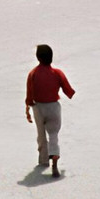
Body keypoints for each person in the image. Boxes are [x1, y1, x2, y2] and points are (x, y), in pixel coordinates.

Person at [25, 44, 74, 178]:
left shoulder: (33, 73)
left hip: (38, 107)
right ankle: (55, 162)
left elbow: (29, 94)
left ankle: (43, 160)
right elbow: (68, 90)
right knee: (53, 135)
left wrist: (28, 107)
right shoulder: (57, 73)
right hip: (53, 107)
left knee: (41, 135)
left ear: (38, 57)